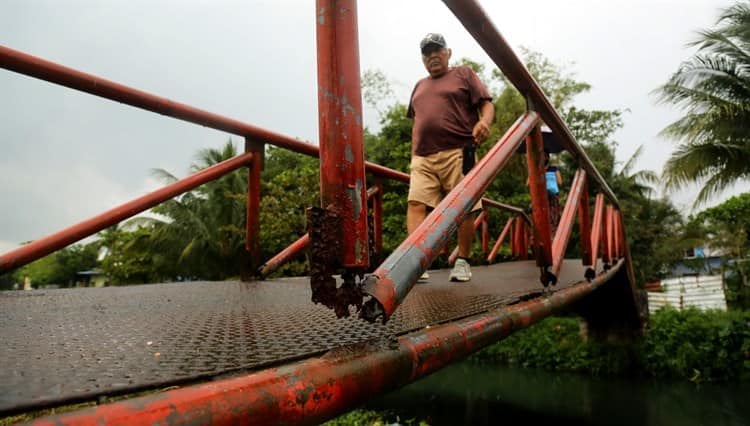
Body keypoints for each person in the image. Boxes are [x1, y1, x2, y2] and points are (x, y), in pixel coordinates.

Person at [406, 33, 495, 282]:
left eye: (437, 50)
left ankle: (463, 261)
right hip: (422, 157)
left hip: (458, 151)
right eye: (427, 52)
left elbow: (486, 104)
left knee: (463, 206)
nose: (432, 56)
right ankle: (416, 264)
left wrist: (484, 122)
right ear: (422, 58)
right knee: (415, 203)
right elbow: (419, 119)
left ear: (448, 53)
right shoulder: (419, 85)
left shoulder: (463, 74)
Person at [544, 152, 563, 234]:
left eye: (545, 156)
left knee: (553, 214)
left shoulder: (554, 168)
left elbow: (560, 182)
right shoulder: (537, 168)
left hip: (553, 193)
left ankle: (553, 233)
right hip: (542, 194)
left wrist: (551, 178)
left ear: (548, 158)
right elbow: (528, 183)